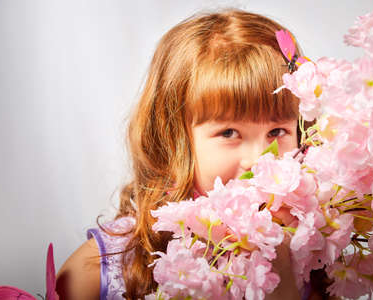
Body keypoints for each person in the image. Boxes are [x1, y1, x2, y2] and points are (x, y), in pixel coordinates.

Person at [56, 8, 330, 300]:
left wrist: (282, 274)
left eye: (277, 132)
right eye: (228, 133)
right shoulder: (95, 269)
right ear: (175, 140)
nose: (260, 160)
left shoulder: (310, 253)